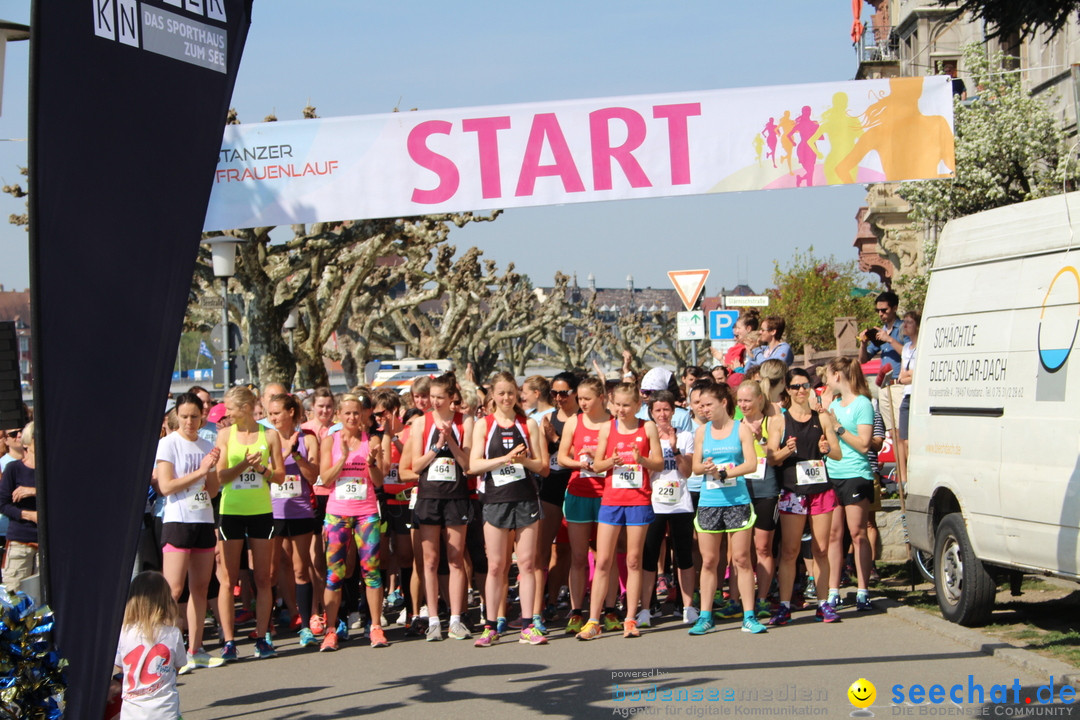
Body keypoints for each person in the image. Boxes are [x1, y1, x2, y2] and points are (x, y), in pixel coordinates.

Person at [576, 382, 663, 640]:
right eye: (618, 405)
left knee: (633, 560)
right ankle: (593, 620)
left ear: (638, 405)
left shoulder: (647, 427)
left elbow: (657, 462)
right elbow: (597, 465)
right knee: (603, 560)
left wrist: (642, 460)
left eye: (627, 405)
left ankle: (630, 619)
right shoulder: (607, 428)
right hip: (612, 499)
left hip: (638, 500)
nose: (622, 410)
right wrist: (610, 462)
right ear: (611, 405)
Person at [470, 372, 549, 647]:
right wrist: (504, 458)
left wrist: (524, 460)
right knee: (497, 566)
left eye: (511, 393)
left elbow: (544, 467)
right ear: (492, 394)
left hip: (526, 499)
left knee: (527, 564)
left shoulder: (529, 424)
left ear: (518, 395)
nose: (506, 398)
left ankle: (528, 623)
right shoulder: (484, 424)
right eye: (501, 393)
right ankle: (491, 625)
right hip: (495, 500)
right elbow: (473, 465)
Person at [399, 372, 474, 642]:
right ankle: (432, 619)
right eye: (432, 397)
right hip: (429, 496)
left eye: (440, 397)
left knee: (455, 559)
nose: (435, 402)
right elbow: (415, 467)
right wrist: (437, 446)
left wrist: (451, 441)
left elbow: (468, 465)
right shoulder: (421, 423)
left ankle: (455, 618)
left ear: (452, 397)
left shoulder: (465, 421)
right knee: (429, 561)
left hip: (456, 497)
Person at [214, 386, 286, 661]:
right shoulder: (225, 435)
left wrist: (261, 469)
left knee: (263, 577)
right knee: (228, 579)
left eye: (230, 408)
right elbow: (221, 477)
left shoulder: (269, 435)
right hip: (231, 510)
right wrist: (244, 464)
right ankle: (229, 640)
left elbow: (279, 476)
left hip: (260, 511)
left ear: (244, 408)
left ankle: (262, 636)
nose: (227, 413)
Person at [767, 368, 843, 626]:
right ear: (787, 390)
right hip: (793, 492)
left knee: (821, 549)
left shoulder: (820, 418)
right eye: (796, 386)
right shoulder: (779, 420)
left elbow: (837, 453)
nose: (801, 390)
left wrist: (826, 448)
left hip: (820, 490)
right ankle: (785, 606)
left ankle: (823, 604)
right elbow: (771, 458)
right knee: (789, 551)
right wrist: (785, 451)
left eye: (805, 385)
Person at [153, 393, 224, 672]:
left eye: (194, 416)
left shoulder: (208, 445)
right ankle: (166, 652)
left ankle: (197, 649)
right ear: (176, 417)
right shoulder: (168, 445)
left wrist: (211, 470)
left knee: (201, 588)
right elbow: (166, 486)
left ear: (202, 416)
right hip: (177, 521)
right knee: (174, 589)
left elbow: (214, 490)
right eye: (184, 417)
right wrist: (201, 471)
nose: (189, 422)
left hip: (203, 519)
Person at [689, 383, 765, 636]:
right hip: (710, 502)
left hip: (737, 500)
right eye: (701, 405)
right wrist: (707, 468)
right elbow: (695, 467)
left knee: (741, 559)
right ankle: (705, 616)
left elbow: (752, 463)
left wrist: (726, 472)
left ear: (723, 402)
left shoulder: (741, 429)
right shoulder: (702, 432)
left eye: (709, 404)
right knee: (709, 560)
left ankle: (749, 616)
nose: (705, 409)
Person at [318, 391, 388, 651]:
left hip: (366, 513)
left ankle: (376, 627)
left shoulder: (373, 440)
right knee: (334, 575)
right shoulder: (330, 441)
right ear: (338, 415)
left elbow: (379, 481)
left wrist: (371, 464)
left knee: (371, 571)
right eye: (346, 413)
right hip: (337, 514)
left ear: (363, 416)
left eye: (356, 413)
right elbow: (325, 479)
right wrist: (344, 457)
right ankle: (330, 629)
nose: (351, 417)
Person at [556, 376, 615, 634]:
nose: (583, 403)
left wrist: (603, 461)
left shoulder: (613, 423)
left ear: (601, 398)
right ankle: (577, 611)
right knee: (579, 557)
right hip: (579, 492)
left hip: (608, 495)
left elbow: (620, 456)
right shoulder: (574, 422)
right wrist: (580, 463)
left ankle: (610, 610)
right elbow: (561, 457)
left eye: (587, 398)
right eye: (580, 399)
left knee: (605, 558)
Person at [267, 392, 321, 648]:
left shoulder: (307, 438)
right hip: (271, 511)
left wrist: (295, 454)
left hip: (300, 511)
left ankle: (306, 625)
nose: (272, 418)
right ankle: (267, 625)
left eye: (277, 413)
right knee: (271, 571)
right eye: (269, 413)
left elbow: (313, 476)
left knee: (301, 568)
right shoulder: (265, 438)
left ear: (290, 412)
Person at [822, 357, 876, 612]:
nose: (825, 380)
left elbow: (864, 444)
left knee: (858, 533)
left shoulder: (862, 404)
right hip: (833, 473)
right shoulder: (832, 403)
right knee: (834, 535)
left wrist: (839, 428)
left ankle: (863, 589)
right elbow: (829, 437)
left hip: (856, 473)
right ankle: (833, 590)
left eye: (828, 375)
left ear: (838, 376)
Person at [639, 391, 696, 628]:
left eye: (666, 409)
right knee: (649, 555)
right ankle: (646, 606)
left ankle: (688, 605)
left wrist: (674, 448)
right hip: (653, 503)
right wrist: (654, 456)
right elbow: (646, 472)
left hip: (680, 503)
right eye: (657, 410)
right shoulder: (645, 438)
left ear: (673, 411)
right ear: (651, 413)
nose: (662, 414)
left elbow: (687, 472)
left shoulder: (685, 436)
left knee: (683, 554)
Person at [534, 371, 578, 626]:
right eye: (554, 393)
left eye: (564, 393)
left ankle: (556, 600)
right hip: (550, 485)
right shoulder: (546, 418)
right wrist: (544, 438)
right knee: (542, 549)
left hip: (574, 483)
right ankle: (537, 606)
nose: (559, 398)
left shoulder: (582, 419)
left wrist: (555, 439)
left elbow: (581, 452)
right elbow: (540, 456)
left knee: (567, 549)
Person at [114, 571, 187, 720]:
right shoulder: (173, 633)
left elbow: (121, 666)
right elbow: (178, 666)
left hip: (132, 712)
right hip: (165, 711)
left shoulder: (123, 632)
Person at [736, 379, 780, 619]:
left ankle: (762, 598)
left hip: (765, 488)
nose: (743, 405)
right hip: (741, 489)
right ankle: (738, 599)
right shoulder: (735, 424)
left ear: (759, 399)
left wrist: (758, 438)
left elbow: (773, 454)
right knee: (740, 551)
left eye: (748, 400)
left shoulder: (771, 421)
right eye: (740, 401)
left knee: (762, 546)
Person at [859, 290, 908, 435]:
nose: (881, 314)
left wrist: (890, 339)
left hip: (899, 384)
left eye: (884, 310)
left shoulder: (903, 328)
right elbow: (863, 359)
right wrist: (863, 343)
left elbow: (909, 353)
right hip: (884, 385)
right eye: (878, 310)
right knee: (891, 432)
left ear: (894, 308)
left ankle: (904, 459)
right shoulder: (881, 331)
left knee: (902, 431)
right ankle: (898, 458)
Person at [0, 421, 36, 592]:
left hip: (48, 544)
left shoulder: (51, 470)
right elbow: (3, 504)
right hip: (21, 542)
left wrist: (33, 491)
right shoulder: (13, 468)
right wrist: (29, 515)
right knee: (14, 596)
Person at [896, 311, 920, 485]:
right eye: (904, 322)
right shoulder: (906, 348)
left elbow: (920, 372)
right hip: (906, 393)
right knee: (903, 439)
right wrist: (909, 374)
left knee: (913, 440)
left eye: (909, 322)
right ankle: (906, 478)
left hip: (917, 394)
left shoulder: (922, 346)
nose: (905, 325)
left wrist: (911, 374)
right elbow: (902, 377)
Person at [638, 368, 694, 433]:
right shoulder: (639, 415)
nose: (644, 396)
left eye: (648, 392)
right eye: (643, 392)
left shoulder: (682, 416)